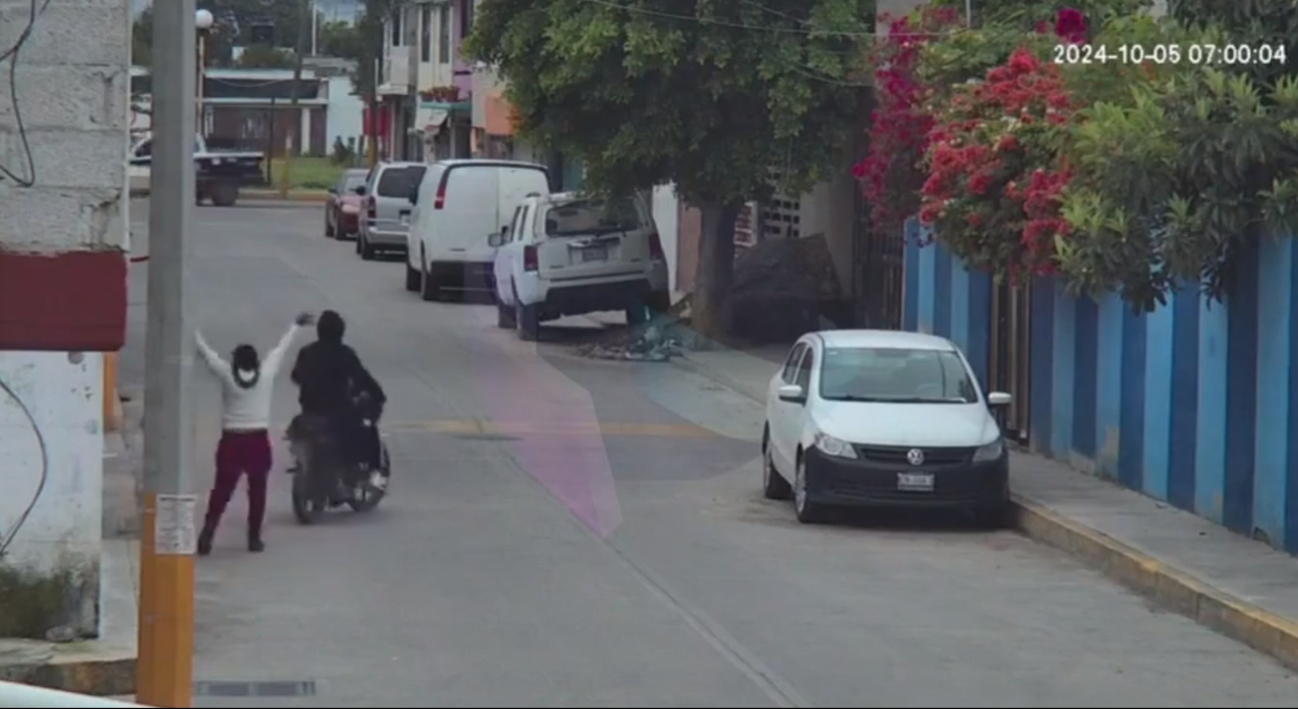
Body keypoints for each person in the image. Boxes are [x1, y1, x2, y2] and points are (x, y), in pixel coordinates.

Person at [194, 312, 314, 555]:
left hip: (231, 441)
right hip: (257, 441)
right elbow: (281, 348)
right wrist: (295, 326)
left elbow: (206, 353)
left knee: (221, 491)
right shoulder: (267, 373)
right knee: (257, 492)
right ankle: (253, 538)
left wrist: (191, 332)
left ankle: (208, 533)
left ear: (235, 362)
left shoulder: (227, 374)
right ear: (256, 362)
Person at [290, 310, 386, 481]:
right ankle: (373, 473)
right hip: (337, 412)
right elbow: (362, 378)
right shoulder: (344, 354)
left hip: (309, 410)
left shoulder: (307, 352)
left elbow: (296, 376)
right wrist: (378, 395)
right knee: (368, 429)